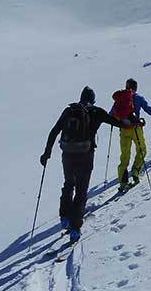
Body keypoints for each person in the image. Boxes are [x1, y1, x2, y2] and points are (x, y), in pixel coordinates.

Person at [40, 86, 128, 241]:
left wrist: (47, 153)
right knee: (81, 190)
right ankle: (75, 228)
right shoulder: (96, 111)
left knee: (68, 183)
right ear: (93, 99)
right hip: (86, 155)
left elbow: (54, 131)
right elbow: (118, 123)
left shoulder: (69, 111)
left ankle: (65, 217)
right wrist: (133, 123)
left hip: (67, 153)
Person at [111, 78, 151, 192]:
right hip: (136, 128)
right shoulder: (138, 98)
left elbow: (111, 114)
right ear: (136, 87)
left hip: (123, 129)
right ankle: (136, 171)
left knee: (124, 155)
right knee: (142, 150)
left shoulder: (119, 99)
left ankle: (123, 183)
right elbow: (147, 109)